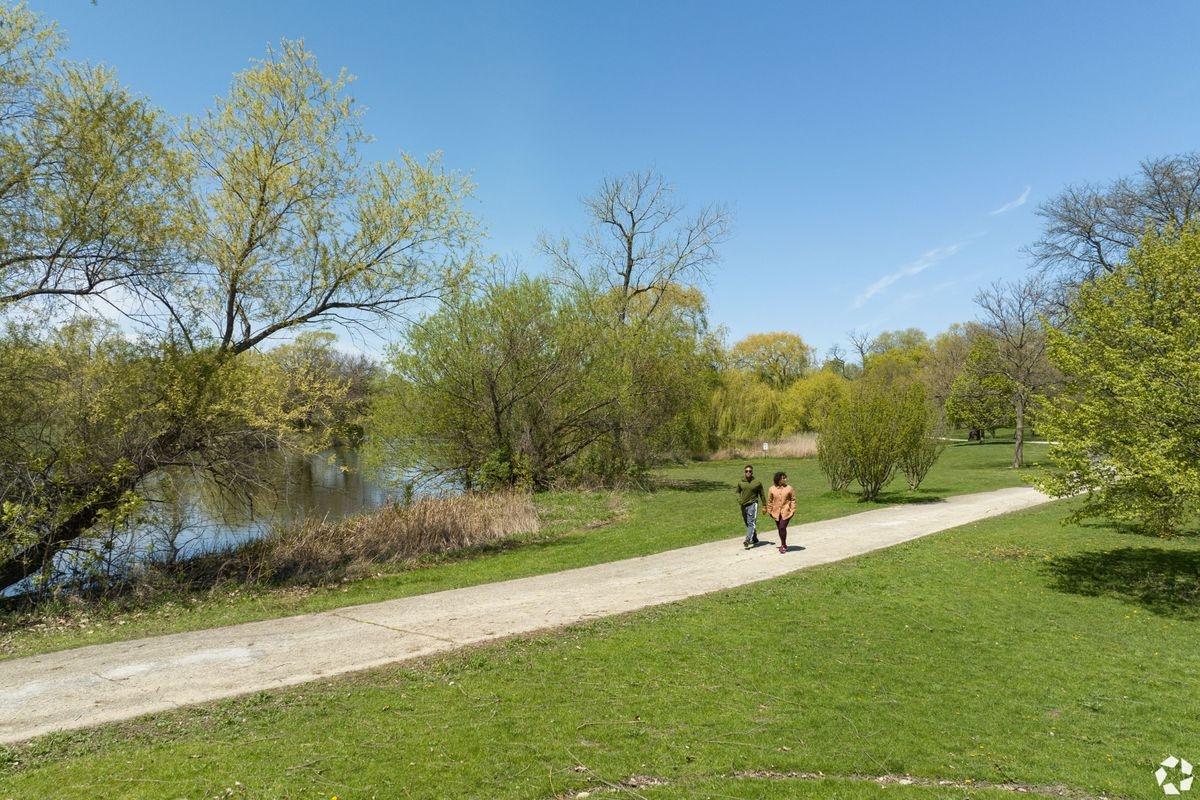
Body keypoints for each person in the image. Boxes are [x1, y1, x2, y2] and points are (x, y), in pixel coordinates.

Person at [736, 464, 767, 549]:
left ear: (752, 472)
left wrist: (764, 505)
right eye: (746, 471)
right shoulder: (741, 482)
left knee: (751, 523)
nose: (748, 472)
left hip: (753, 504)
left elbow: (762, 494)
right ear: (744, 472)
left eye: (750, 471)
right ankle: (755, 538)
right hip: (743, 505)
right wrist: (739, 500)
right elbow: (737, 492)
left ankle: (747, 540)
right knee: (748, 523)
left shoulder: (757, 483)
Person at [767, 471, 797, 553]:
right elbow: (770, 501)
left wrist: (792, 510)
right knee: (780, 529)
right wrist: (769, 511)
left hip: (787, 512)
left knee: (782, 527)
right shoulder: (772, 489)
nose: (785, 479)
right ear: (778, 479)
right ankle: (783, 544)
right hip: (775, 512)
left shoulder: (789, 488)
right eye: (783, 478)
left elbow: (793, 499)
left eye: (785, 477)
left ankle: (783, 545)